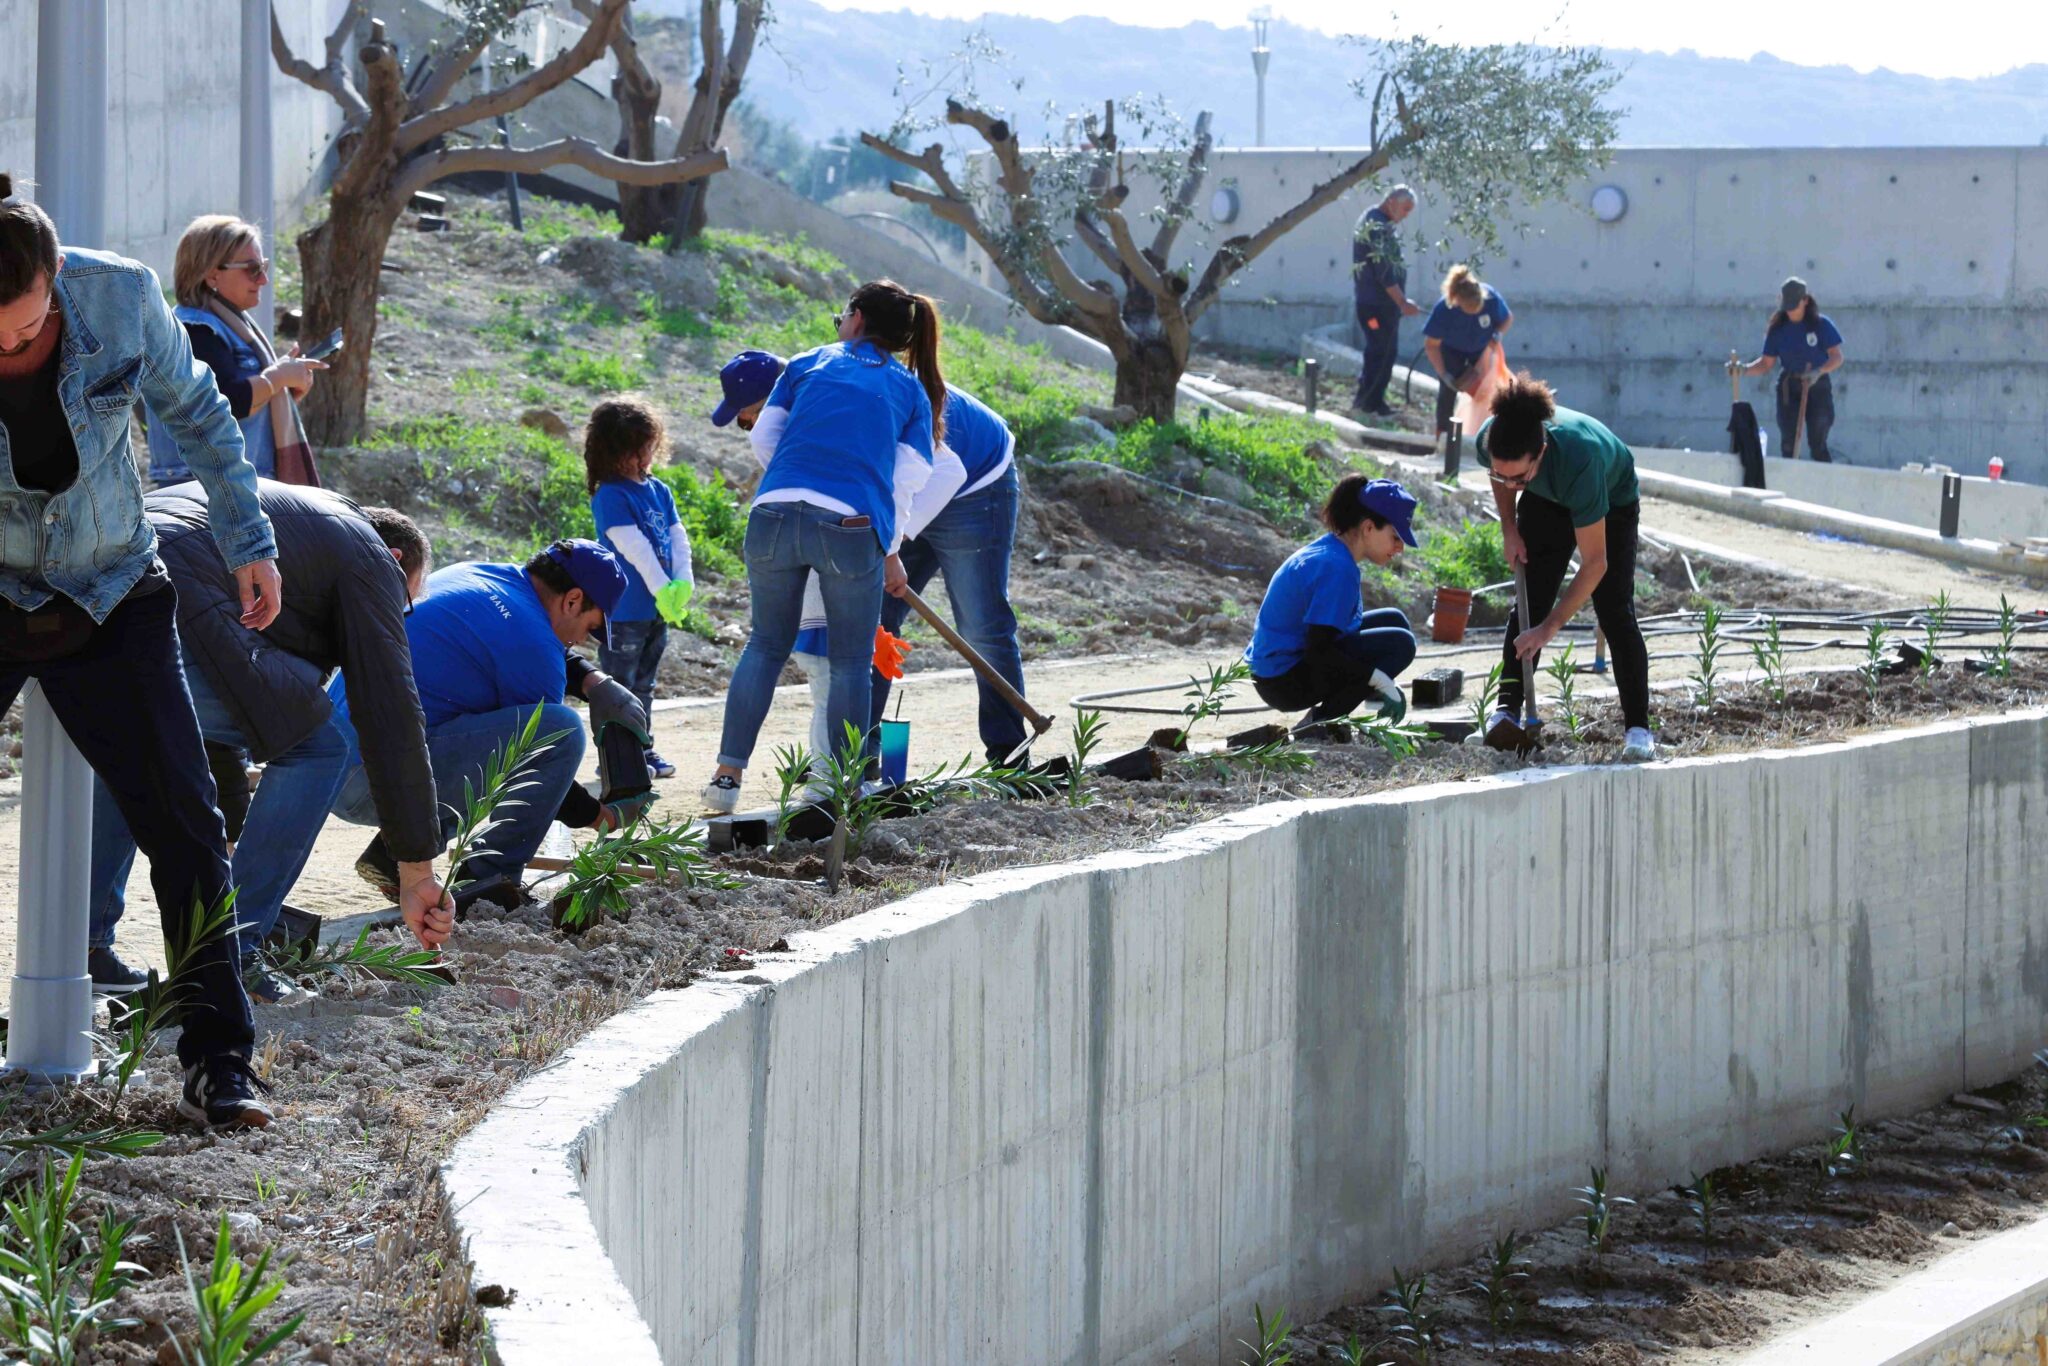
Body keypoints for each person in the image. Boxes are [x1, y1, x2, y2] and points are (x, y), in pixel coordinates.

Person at [0, 174, 280, 1128]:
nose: (13, 349)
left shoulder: (119, 295)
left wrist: (249, 541)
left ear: (57, 279)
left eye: (29, 332)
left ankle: (220, 1065)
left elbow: (202, 414)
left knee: (187, 823)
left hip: (112, 583)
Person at [87, 484, 452, 1003]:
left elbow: (234, 704)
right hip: (169, 591)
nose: (399, 610)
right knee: (322, 747)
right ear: (396, 560)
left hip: (100, 572)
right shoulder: (370, 558)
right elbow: (389, 711)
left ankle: (88, 947)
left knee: (132, 737)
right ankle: (230, 950)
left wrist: (233, 827)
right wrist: (416, 872)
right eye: (406, 600)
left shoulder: (307, 530)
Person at [702, 280, 955, 814]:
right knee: (850, 660)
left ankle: (725, 780)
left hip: (772, 513)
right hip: (850, 525)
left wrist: (798, 484)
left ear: (857, 317)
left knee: (766, 645)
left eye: (842, 314)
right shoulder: (909, 390)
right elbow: (906, 479)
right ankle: (842, 792)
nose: (840, 322)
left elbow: (764, 438)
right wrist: (889, 552)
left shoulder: (806, 362)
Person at [335, 541, 650, 893]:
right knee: (561, 732)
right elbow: (537, 767)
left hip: (332, 762)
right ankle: (487, 880)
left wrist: (594, 681)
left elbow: (511, 640)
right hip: (365, 782)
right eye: (590, 627)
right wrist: (598, 816)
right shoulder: (535, 648)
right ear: (573, 599)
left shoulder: (476, 574)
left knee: (481, 719)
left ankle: (396, 854)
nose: (580, 641)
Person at [1476, 373, 1653, 763]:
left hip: (1610, 494)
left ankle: (1638, 728)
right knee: (1529, 599)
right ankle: (1505, 713)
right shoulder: (1493, 438)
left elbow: (1595, 564)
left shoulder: (1579, 458)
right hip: (1546, 494)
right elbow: (1505, 480)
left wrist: (1549, 630)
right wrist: (1509, 528)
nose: (1510, 484)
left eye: (1517, 476)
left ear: (1540, 451)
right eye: (1500, 472)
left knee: (1613, 608)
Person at [868, 383, 1028, 765]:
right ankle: (854, 753)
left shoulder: (879, 398)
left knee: (981, 626)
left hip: (975, 480)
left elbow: (948, 470)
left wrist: (893, 546)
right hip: (913, 486)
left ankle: (1009, 759)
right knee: (873, 618)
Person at [710, 350, 835, 781]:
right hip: (834, 525)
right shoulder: (831, 406)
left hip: (770, 523)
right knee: (830, 665)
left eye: (746, 416)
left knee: (764, 645)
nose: (748, 428)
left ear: (768, 399)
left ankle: (727, 777)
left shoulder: (774, 428)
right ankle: (828, 780)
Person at [145, 215, 326, 487]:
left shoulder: (227, 325)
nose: (263, 279)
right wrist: (276, 378)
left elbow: (241, 415)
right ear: (212, 274)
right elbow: (229, 401)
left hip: (223, 486)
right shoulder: (195, 330)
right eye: (252, 269)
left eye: (263, 266)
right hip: (204, 491)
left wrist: (284, 387)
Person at [1246, 475, 1419, 727]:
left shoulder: (1333, 551)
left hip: (1278, 668)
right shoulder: (1337, 568)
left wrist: (1375, 678)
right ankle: (1321, 723)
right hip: (1282, 679)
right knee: (1401, 645)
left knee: (1395, 620)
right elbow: (1319, 651)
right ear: (1369, 528)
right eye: (1395, 537)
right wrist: (1378, 679)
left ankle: (1344, 703)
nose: (1400, 548)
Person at [586, 396, 694, 779]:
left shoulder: (658, 489)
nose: (647, 454)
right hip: (625, 609)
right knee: (618, 688)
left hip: (654, 611)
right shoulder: (611, 495)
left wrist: (683, 581)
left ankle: (642, 750)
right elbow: (636, 550)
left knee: (645, 685)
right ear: (616, 450)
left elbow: (677, 537)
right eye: (639, 447)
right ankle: (616, 759)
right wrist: (663, 587)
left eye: (650, 445)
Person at [1730, 276, 1843, 462]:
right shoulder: (1778, 329)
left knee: (1818, 441)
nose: (1790, 312)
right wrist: (1742, 370)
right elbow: (1766, 363)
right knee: (1789, 443)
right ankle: (1789, 482)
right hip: (1789, 387)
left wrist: (1818, 372)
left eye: (1794, 306)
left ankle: (1823, 483)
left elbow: (1837, 357)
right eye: (1787, 307)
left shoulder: (1821, 325)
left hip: (1817, 385)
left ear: (1805, 301)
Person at [1351, 187, 1423, 418]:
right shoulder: (1377, 227)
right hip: (1375, 308)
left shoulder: (1378, 221)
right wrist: (1402, 302)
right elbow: (1384, 273)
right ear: (1391, 201)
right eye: (1405, 209)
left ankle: (1372, 401)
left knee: (1383, 351)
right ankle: (1367, 403)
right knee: (1380, 351)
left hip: (1382, 306)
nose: (1406, 215)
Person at [1423, 264, 1512, 439]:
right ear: (1457, 301)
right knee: (1449, 391)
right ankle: (1443, 436)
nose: (1474, 310)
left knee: (1487, 390)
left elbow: (1506, 318)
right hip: (1452, 352)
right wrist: (1443, 373)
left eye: (1477, 306)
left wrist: (1498, 334)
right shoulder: (1444, 309)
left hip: (1481, 350)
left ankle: (1489, 434)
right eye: (1469, 307)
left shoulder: (1491, 299)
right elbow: (1431, 345)